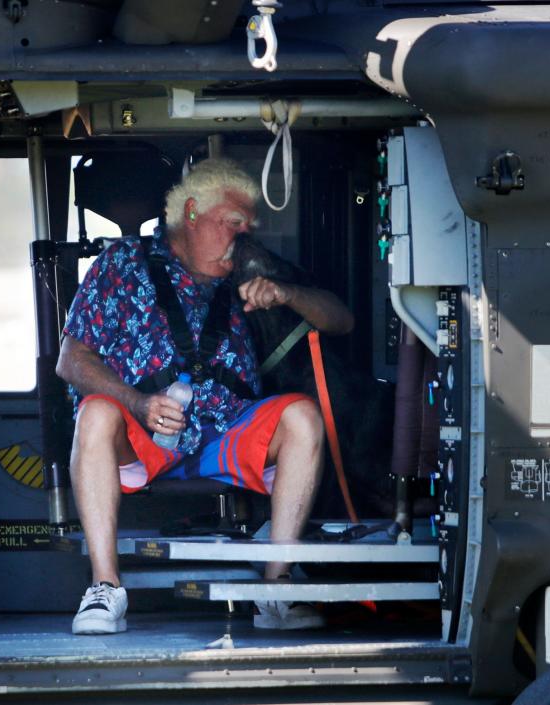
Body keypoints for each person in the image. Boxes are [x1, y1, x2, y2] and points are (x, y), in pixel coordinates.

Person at [56, 158, 354, 635]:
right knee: (93, 414)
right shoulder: (121, 263)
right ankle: (104, 588)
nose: (240, 236)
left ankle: (275, 591)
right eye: (231, 223)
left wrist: (286, 293)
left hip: (226, 432)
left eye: (246, 227)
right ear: (192, 212)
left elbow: (341, 320)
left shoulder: (248, 265)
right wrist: (136, 403)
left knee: (302, 415)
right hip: (144, 433)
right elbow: (70, 361)